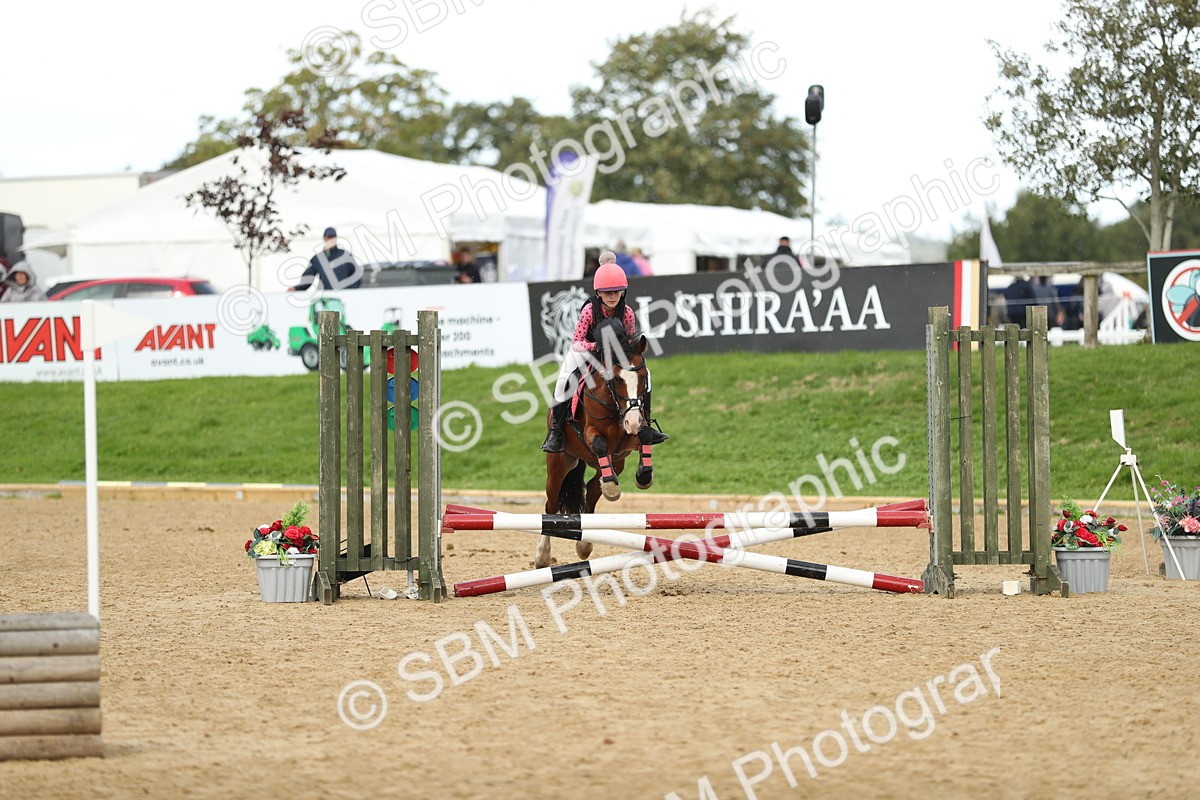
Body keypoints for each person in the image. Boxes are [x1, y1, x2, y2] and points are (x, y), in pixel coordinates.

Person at [541, 253, 668, 453]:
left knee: (646, 375)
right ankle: (556, 432)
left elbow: (629, 342)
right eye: (607, 292)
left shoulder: (626, 313)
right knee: (564, 381)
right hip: (587, 351)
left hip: (614, 356)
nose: (612, 296)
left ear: (623, 292)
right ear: (598, 293)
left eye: (617, 291)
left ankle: (647, 424)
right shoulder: (589, 311)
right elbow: (576, 342)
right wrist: (598, 347)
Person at [289, 227, 361, 291]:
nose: (330, 239)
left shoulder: (345, 255)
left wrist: (349, 291)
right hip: (325, 298)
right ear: (324, 238)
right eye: (328, 236)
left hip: (344, 298)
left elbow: (357, 276)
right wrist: (296, 288)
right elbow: (308, 278)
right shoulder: (317, 259)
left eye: (333, 237)